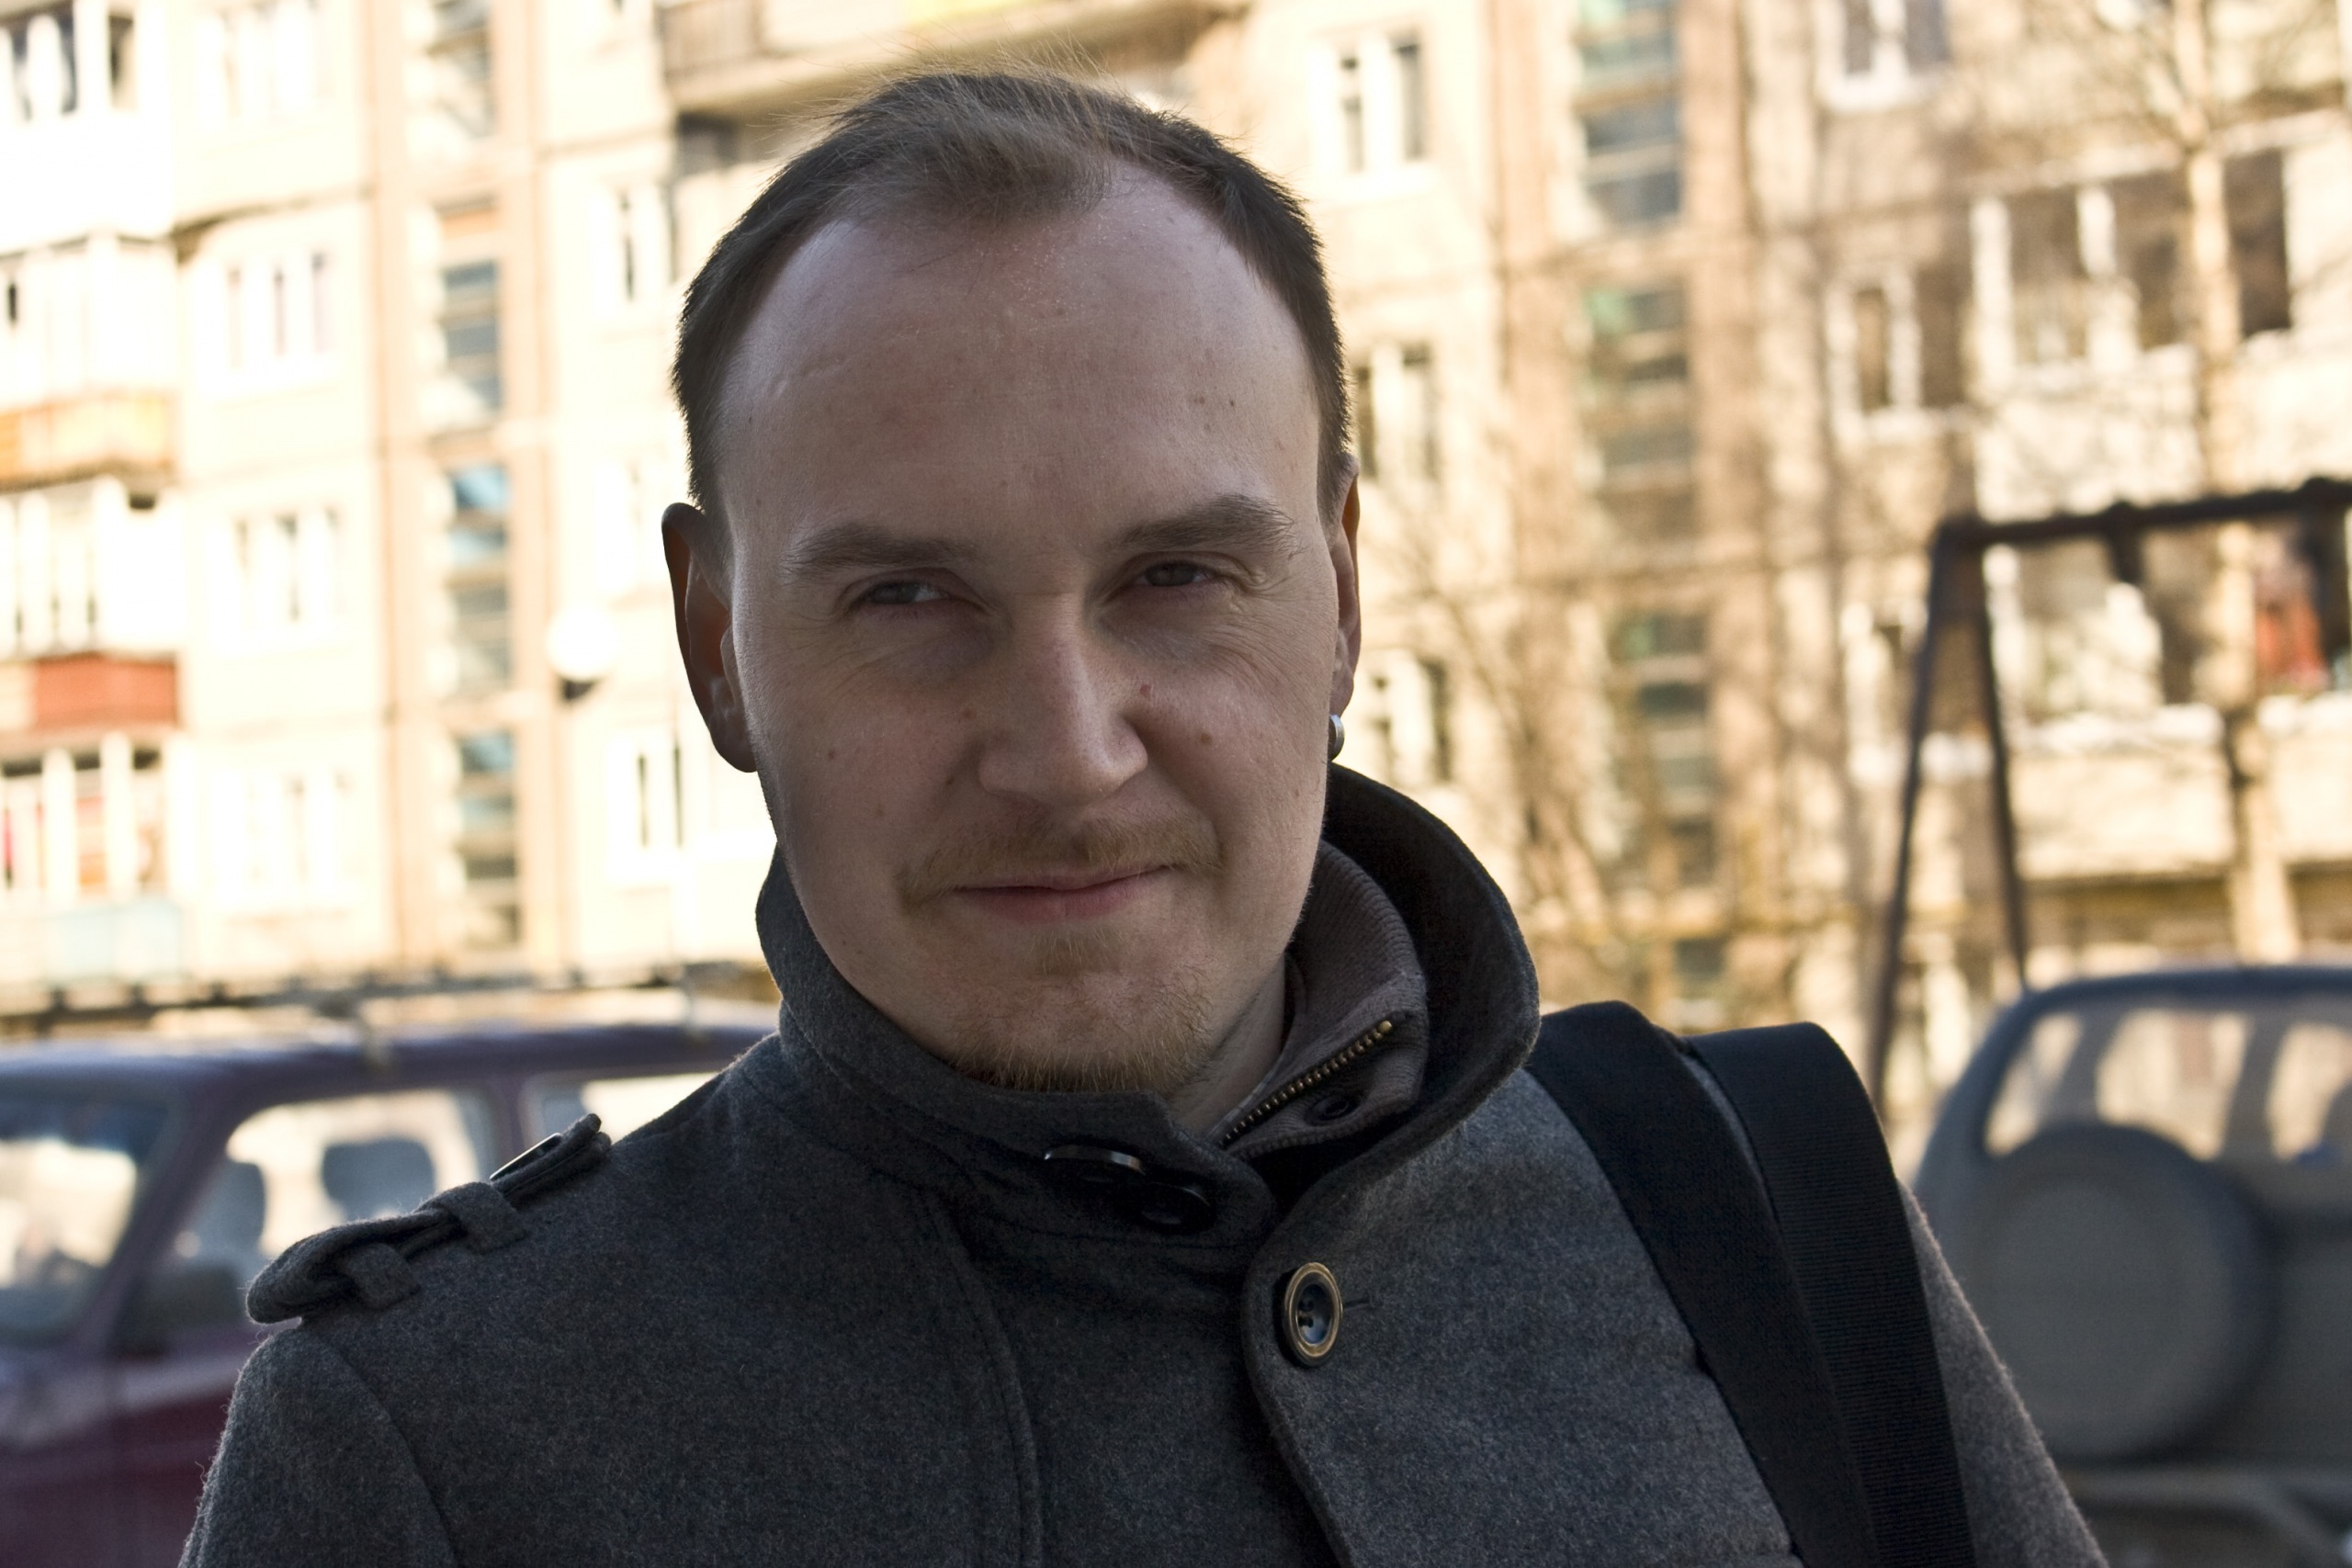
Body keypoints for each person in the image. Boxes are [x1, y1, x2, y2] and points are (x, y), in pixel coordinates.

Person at [183, 73, 2103, 1567]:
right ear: (716, 648)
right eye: (908, 598)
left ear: (1340, 587)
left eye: (1175, 577)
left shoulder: (1751, 1197)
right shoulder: (429, 1443)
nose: (1067, 750)